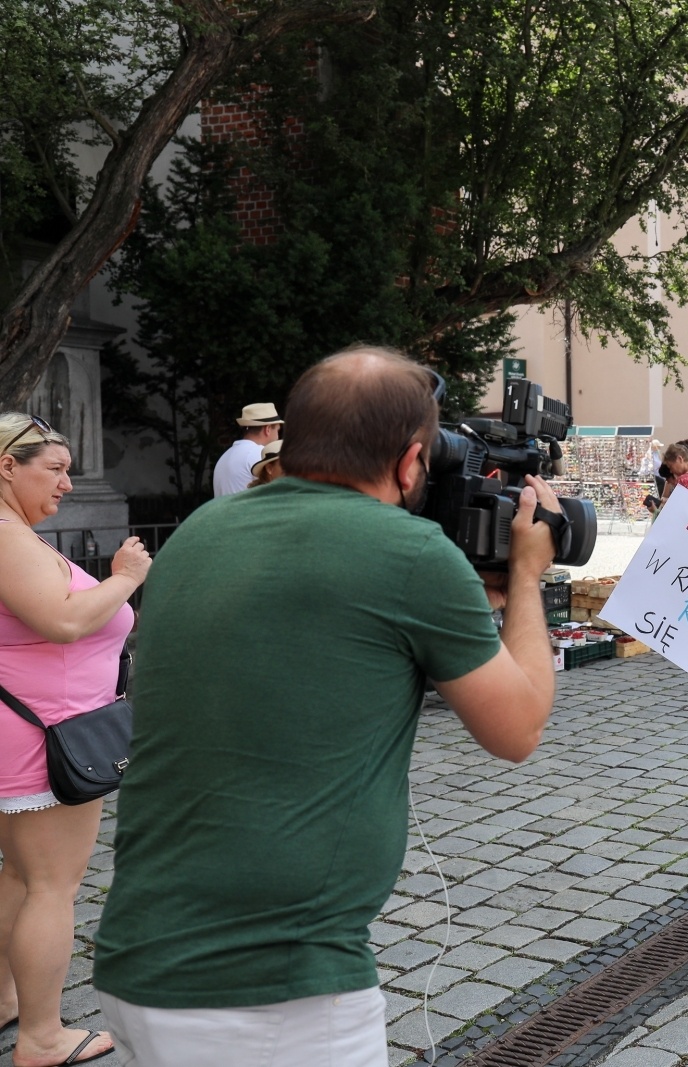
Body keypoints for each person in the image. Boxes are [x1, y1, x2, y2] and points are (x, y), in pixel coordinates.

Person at [92, 347, 561, 1067]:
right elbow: (520, 726)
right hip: (271, 987)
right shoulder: (410, 555)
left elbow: (320, 634)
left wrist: (456, 608)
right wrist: (528, 575)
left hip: (142, 954)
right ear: (411, 464)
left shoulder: (196, 535)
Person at [0, 414, 149, 1067]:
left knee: (22, 876)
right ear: (8, 464)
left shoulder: (15, 533)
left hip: (39, 727)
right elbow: (60, 620)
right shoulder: (4, 535)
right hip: (47, 737)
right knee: (52, 885)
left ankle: (5, 1000)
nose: (67, 481)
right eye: (53, 467)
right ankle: (41, 1036)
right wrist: (124, 577)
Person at [211, 402, 283, 497]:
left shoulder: (224, 457)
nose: (278, 437)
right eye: (277, 430)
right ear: (268, 429)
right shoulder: (259, 453)